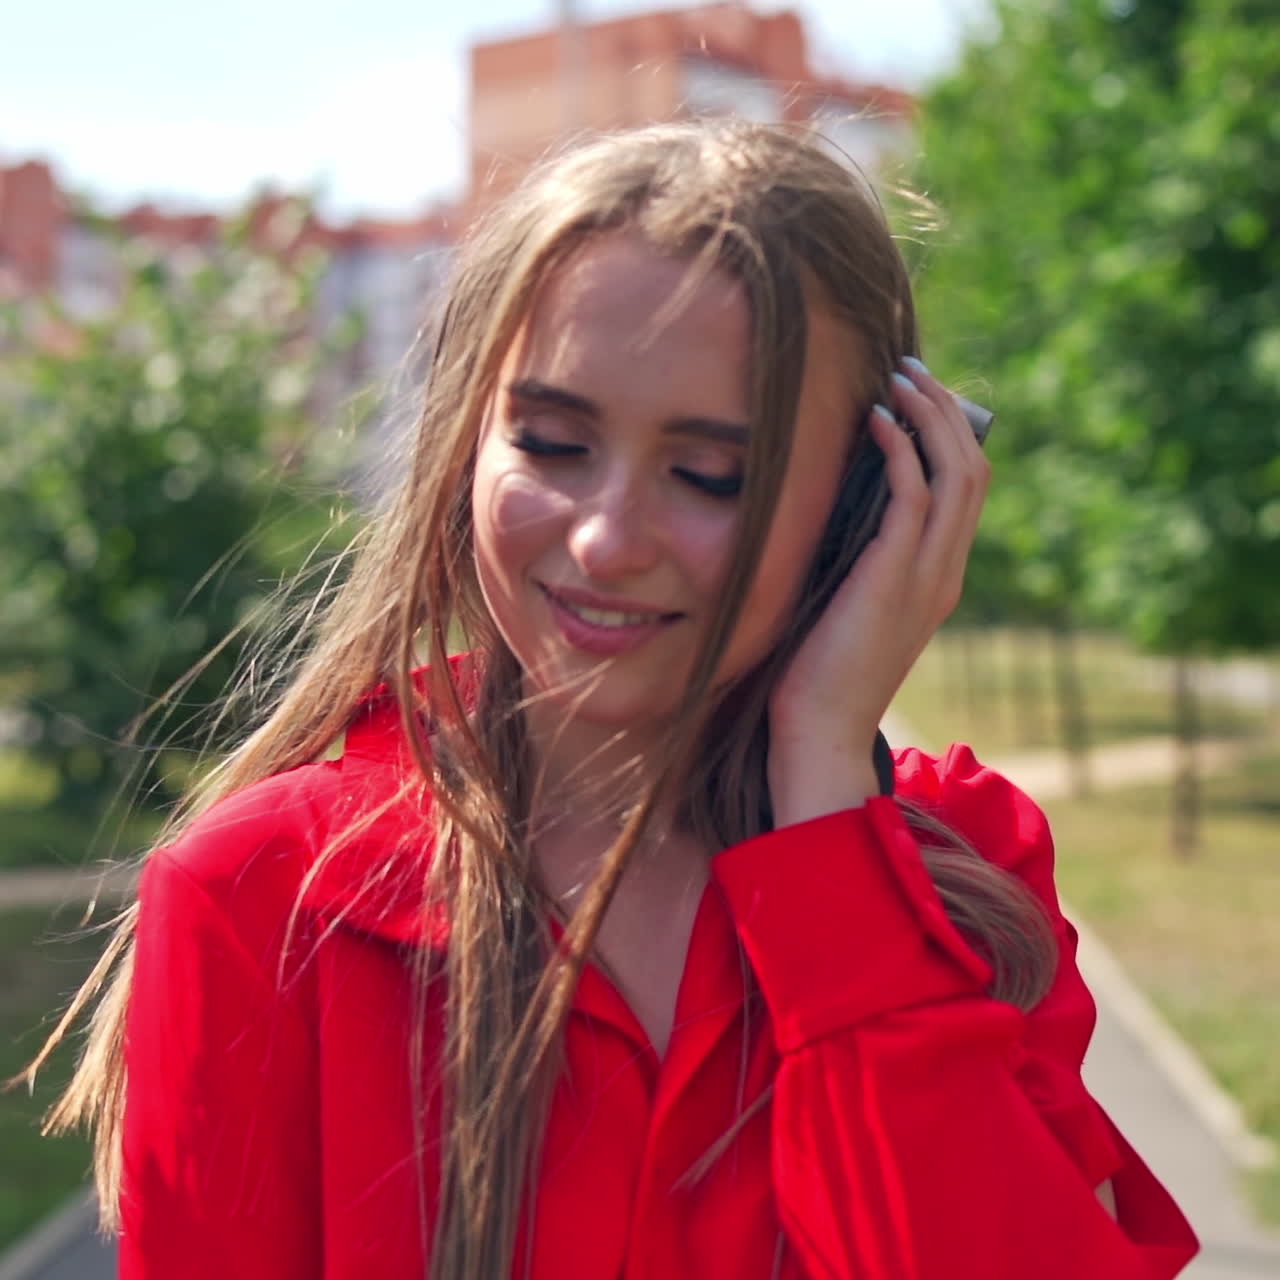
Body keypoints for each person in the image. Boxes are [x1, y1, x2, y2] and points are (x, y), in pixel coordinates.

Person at [37, 119, 1199, 1278]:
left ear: (873, 497)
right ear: (461, 447)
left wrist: (823, 791)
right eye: (550, 443)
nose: (604, 539)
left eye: (710, 473)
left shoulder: (968, 872)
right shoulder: (258, 895)